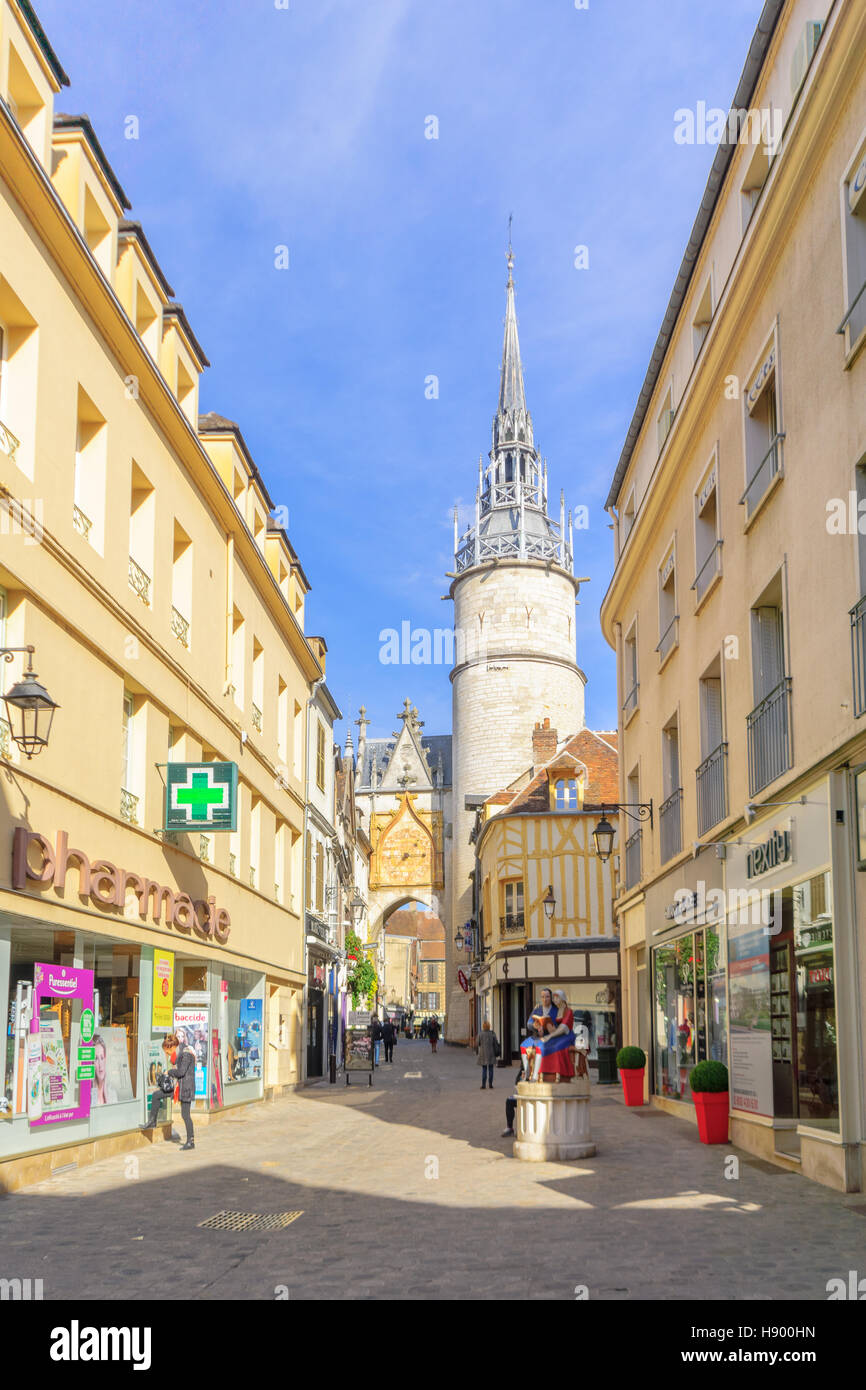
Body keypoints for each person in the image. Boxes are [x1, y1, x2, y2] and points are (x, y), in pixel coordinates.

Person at [536, 989, 577, 1083]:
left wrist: (549, 1036)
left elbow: (562, 1028)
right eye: (553, 997)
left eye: (556, 997)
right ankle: (546, 1073)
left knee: (557, 1047)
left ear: (562, 999)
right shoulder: (558, 1011)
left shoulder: (568, 1011)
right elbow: (556, 1027)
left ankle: (560, 1073)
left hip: (567, 1036)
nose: (554, 999)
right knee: (546, 1045)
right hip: (558, 1035)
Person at [140, 1033, 179, 1130]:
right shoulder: (173, 1055)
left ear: (170, 1047)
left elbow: (179, 1072)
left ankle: (152, 1122)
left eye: (166, 1051)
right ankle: (152, 1121)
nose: (165, 1053)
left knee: (156, 1095)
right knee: (156, 1095)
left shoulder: (176, 1056)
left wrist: (169, 1073)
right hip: (174, 1086)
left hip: (179, 1088)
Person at [519, 988, 558, 1082]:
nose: (545, 999)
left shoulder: (556, 1010)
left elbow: (559, 1026)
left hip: (549, 1038)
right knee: (523, 1045)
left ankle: (536, 1075)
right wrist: (535, 1026)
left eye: (547, 997)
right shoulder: (537, 1009)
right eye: (543, 997)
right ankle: (527, 1070)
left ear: (551, 998)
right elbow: (529, 1023)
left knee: (539, 1047)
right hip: (537, 1036)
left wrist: (549, 1028)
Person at [168, 1035, 197, 1150]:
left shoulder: (185, 1054)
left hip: (187, 1088)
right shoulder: (184, 1053)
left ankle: (190, 1141)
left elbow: (181, 1072)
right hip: (185, 1087)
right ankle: (190, 1140)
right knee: (185, 1115)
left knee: (185, 1115)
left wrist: (170, 1071)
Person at [92, 1034, 118, 1106]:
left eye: (102, 1058)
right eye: (96, 1059)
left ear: (105, 1059)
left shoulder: (112, 1093)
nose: (100, 1064)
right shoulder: (88, 1094)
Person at [501, 1063, 525, 1136]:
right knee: (509, 1101)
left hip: (531, 1096)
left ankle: (523, 1130)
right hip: (520, 1095)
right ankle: (509, 1127)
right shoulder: (521, 1071)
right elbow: (517, 1084)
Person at [475, 1020, 499, 1089]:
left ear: (483, 1026)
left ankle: (483, 1085)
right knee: (491, 1069)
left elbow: (477, 1043)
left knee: (484, 1069)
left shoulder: (480, 1034)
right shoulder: (492, 1033)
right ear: (489, 1026)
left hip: (483, 1054)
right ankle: (490, 1084)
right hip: (491, 1053)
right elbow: (496, 1043)